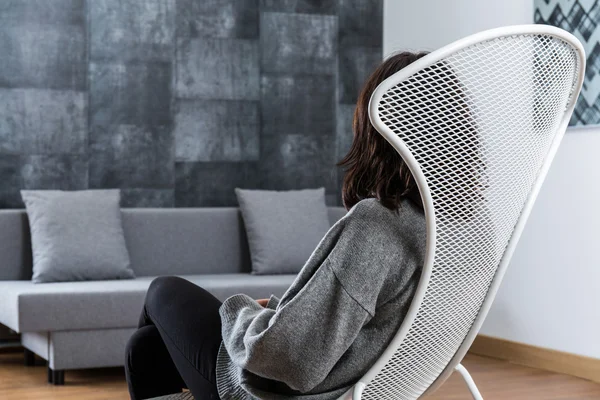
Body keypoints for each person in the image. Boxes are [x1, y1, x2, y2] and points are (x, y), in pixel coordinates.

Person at [125, 52, 429, 400]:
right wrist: (280, 311)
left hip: (268, 390)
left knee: (162, 290)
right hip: (351, 383)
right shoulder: (457, 239)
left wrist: (242, 310)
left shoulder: (378, 226)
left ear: (377, 128)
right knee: (143, 349)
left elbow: (291, 360)